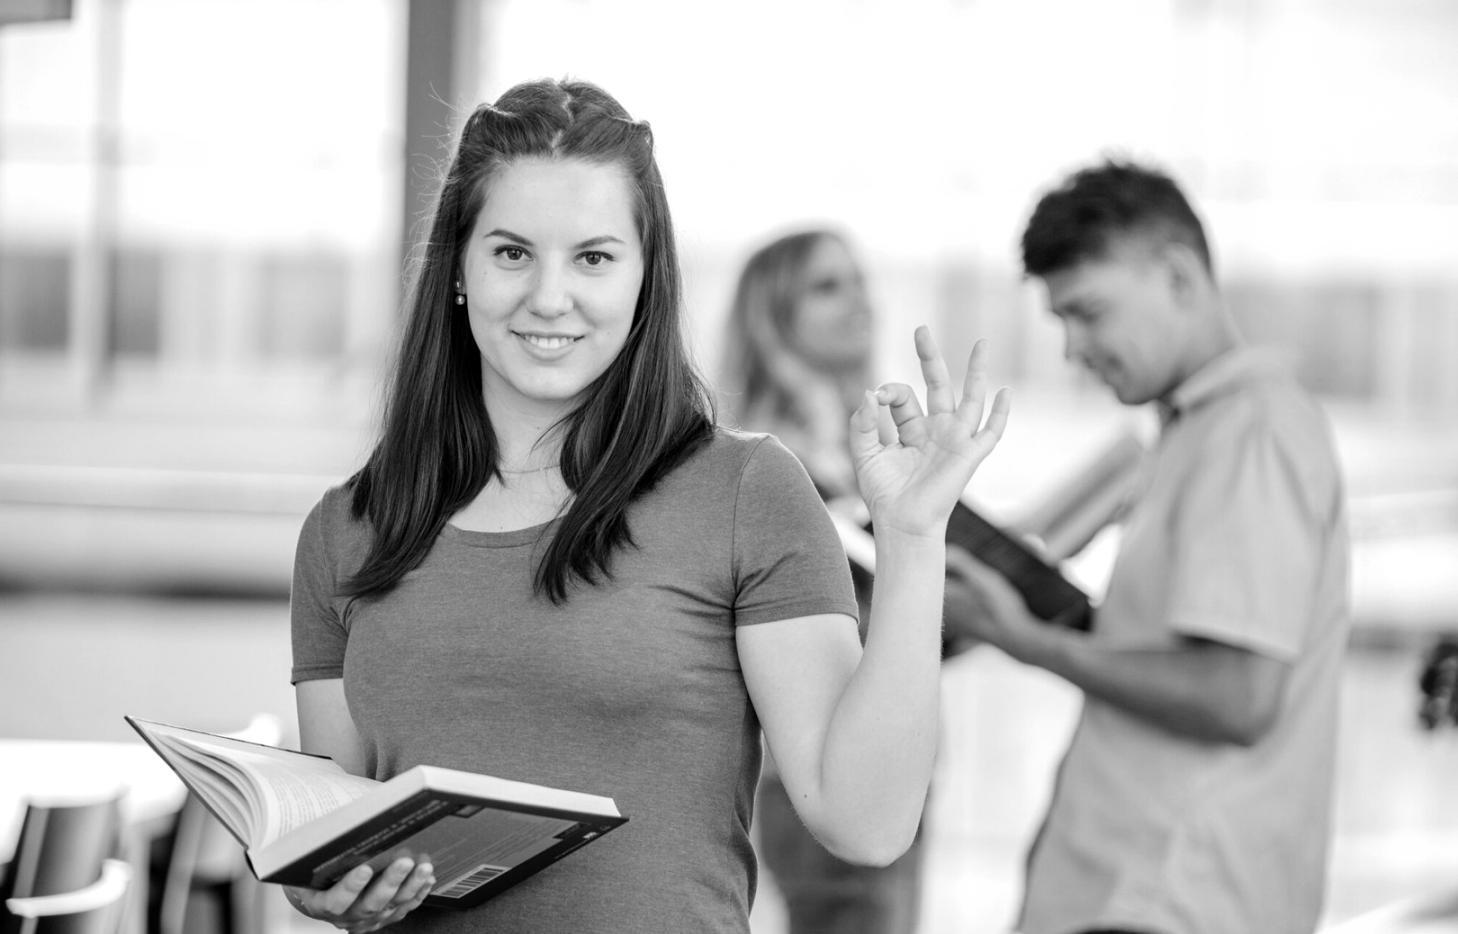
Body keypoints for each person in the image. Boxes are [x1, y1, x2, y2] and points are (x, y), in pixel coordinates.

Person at [283, 77, 1010, 934]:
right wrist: (322, 884)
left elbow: (867, 823)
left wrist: (914, 538)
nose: (550, 297)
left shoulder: (745, 494)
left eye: (593, 257)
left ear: (643, 280)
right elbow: (342, 835)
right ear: (459, 270)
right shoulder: (347, 529)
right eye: (512, 253)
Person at [947, 159, 1350, 934]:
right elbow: (1187, 659)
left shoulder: (1252, 432)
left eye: (1089, 312)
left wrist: (1025, 639)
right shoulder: (1196, 432)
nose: (1074, 350)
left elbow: (1236, 695)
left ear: (1177, 275)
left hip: (1173, 901)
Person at [718, 228, 985, 934]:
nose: (858, 301)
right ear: (772, 314)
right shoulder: (764, 460)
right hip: (822, 771)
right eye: (826, 286)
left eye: (858, 280)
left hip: (896, 758)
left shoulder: (867, 441)